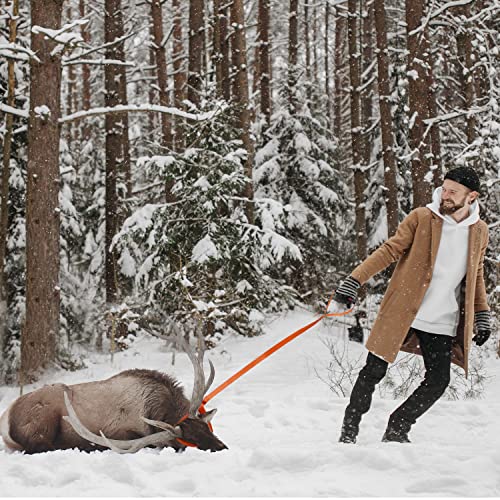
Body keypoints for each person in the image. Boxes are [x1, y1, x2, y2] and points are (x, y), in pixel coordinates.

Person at [331, 166, 492, 444]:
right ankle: (350, 429)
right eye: (445, 187)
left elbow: (476, 274)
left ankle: (398, 426)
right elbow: (389, 250)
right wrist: (354, 281)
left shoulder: (479, 231)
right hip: (403, 312)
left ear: (472, 196)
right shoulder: (422, 218)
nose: (446, 194)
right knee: (373, 372)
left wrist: (482, 314)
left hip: (443, 319)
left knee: (438, 381)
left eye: (454, 191)